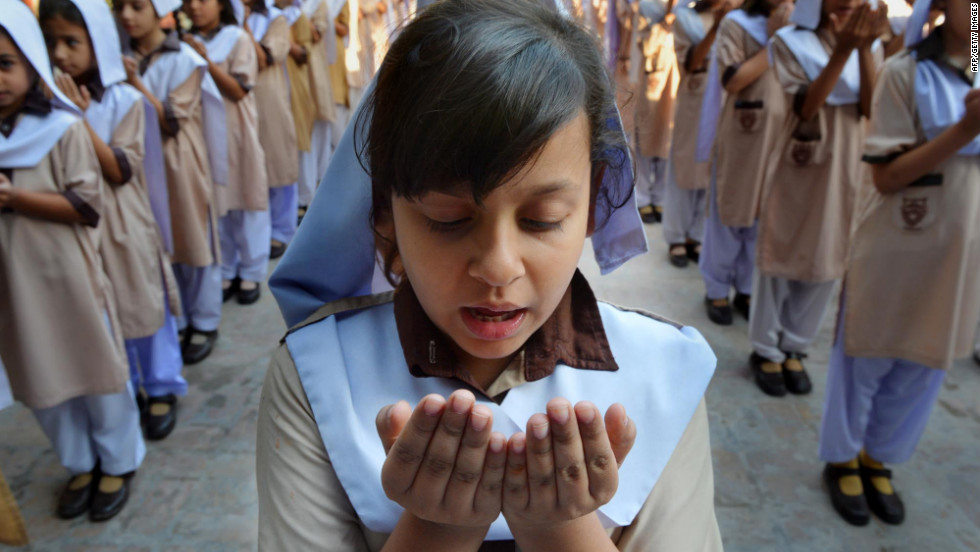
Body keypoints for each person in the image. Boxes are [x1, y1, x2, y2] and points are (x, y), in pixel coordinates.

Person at [256, 1, 722, 549]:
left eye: (540, 220)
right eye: (448, 220)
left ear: (593, 204)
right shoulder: (316, 376)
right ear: (385, 213)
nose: (498, 267)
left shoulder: (664, 375)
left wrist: (562, 530)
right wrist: (437, 527)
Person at [818, 0, 979, 526]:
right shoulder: (903, 72)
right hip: (899, 240)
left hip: (963, 246)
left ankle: (878, 456)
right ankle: (842, 455)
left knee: (925, 358)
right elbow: (886, 176)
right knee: (869, 350)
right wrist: (963, 131)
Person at [0, 0, 144, 521]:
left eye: (5, 63)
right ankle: (79, 460)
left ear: (32, 63)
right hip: (14, 288)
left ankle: (119, 458)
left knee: (96, 369)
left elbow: (86, 205)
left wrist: (16, 199)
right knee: (42, 381)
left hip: (70, 280)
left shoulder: (62, 129)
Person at [41, 0, 187, 440]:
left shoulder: (123, 99)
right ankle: (127, 388)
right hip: (77, 227)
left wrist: (76, 118)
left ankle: (161, 384)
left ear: (99, 43)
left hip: (124, 221)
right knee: (105, 312)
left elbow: (120, 168)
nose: (61, 55)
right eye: (51, 43)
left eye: (72, 42)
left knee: (141, 301)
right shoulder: (43, 107)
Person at [748, 0, 887, 396]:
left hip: (849, 160)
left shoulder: (872, 46)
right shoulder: (789, 42)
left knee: (830, 253)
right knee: (782, 250)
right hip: (804, 158)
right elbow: (808, 105)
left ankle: (795, 344)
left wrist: (861, 48)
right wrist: (843, 49)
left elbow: (867, 106)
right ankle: (765, 348)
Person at [115, 0, 229, 364]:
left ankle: (205, 319)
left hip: (178, 163)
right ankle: (177, 321)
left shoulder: (184, 60)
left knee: (193, 239)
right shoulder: (119, 60)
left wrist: (133, 81)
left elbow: (171, 120)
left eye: (136, 6)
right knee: (159, 245)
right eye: (120, 7)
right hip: (141, 168)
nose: (127, 16)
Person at [694, 0, 791, 325]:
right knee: (730, 209)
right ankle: (717, 288)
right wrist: (776, 40)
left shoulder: (805, 30)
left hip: (782, 136)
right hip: (743, 134)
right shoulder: (736, 23)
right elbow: (732, 80)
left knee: (764, 215)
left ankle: (748, 288)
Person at [184, 0, 271, 306]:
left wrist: (205, 61)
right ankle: (226, 266)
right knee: (217, 204)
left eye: (203, 0)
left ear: (221, 5)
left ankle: (251, 268)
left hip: (236, 133)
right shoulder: (183, 42)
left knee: (245, 199)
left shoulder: (238, 38)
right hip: (203, 133)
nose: (195, 7)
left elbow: (238, 89)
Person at [662, 0, 735, 268]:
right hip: (695, 98)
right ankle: (676, 236)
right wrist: (716, 28)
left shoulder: (738, 20)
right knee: (685, 165)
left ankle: (696, 234)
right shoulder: (685, 19)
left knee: (711, 168)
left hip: (724, 100)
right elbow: (691, 62)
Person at [247, 0, 300, 259]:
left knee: (278, 163)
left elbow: (265, 58)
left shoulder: (275, 19)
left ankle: (281, 231)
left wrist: (243, 26)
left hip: (269, 99)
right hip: (240, 104)